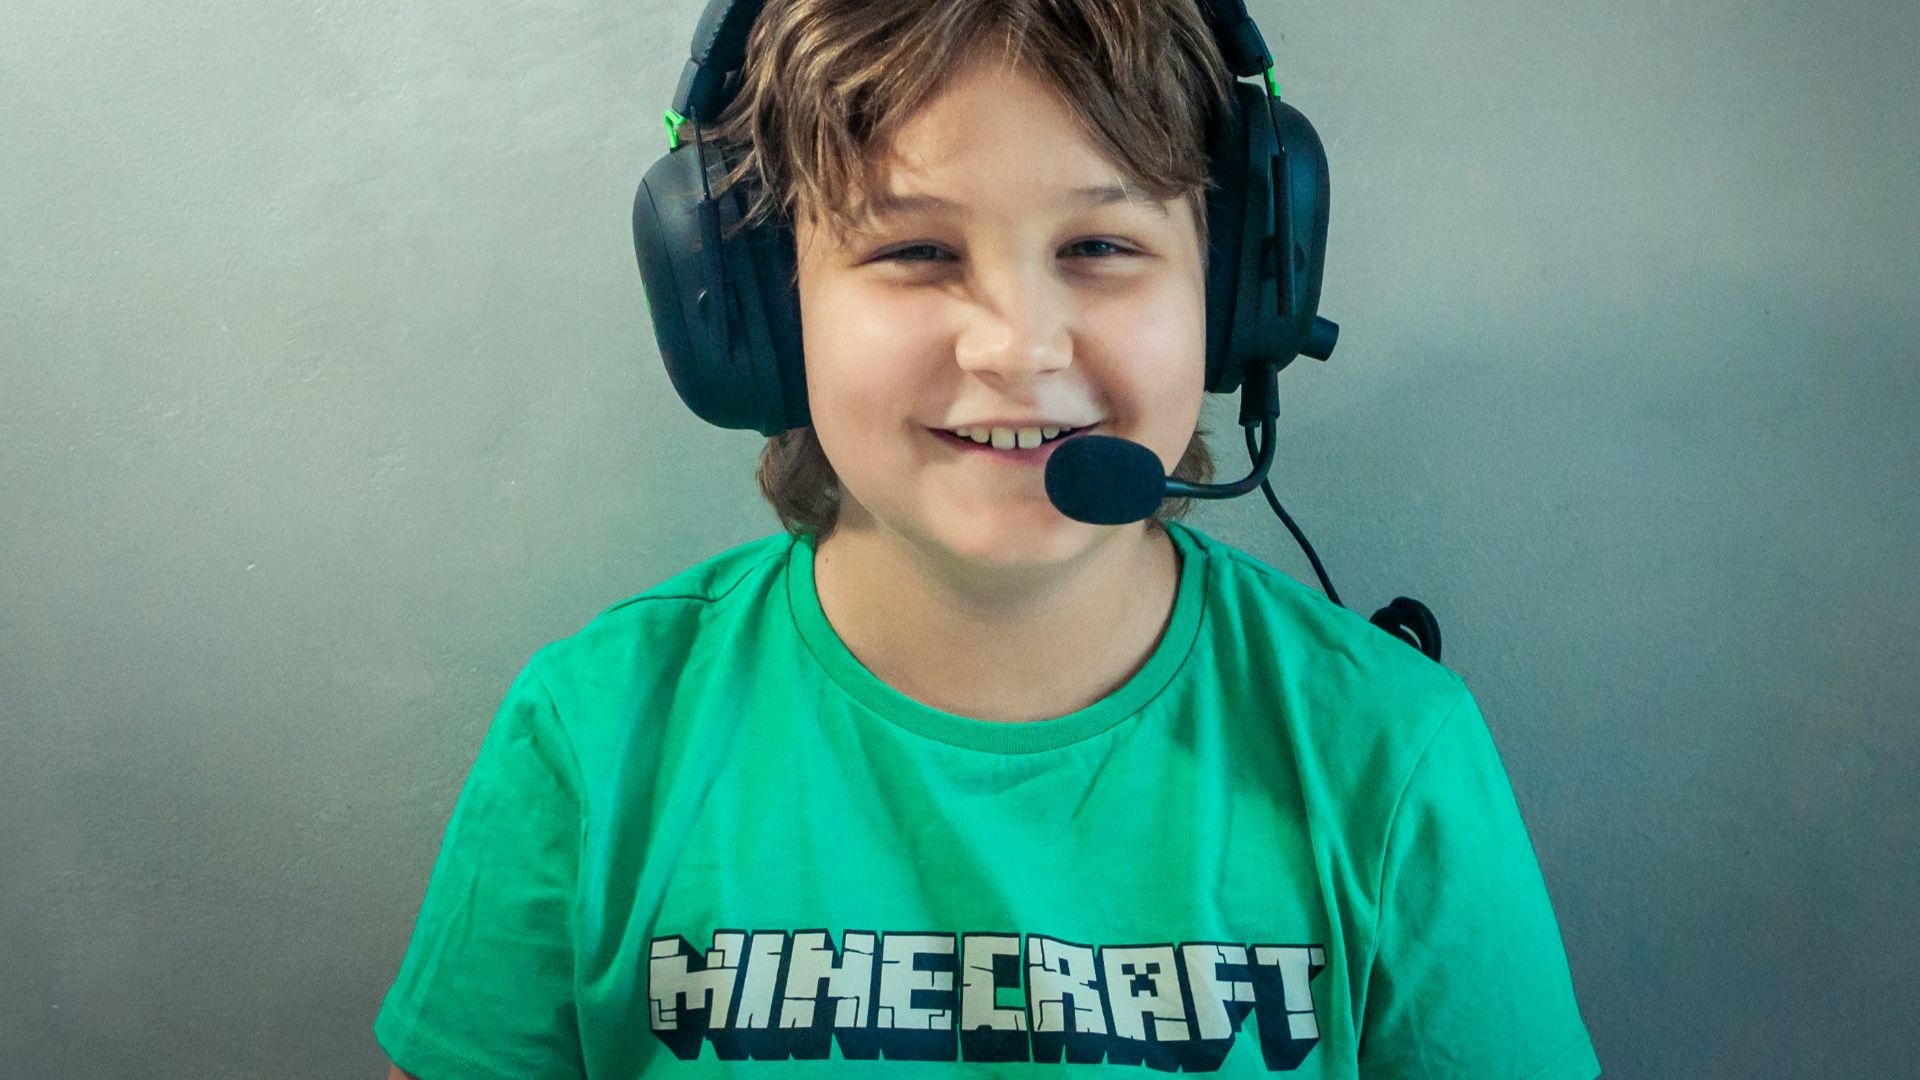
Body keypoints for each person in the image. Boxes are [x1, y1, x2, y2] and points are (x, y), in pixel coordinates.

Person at [375, 1, 1602, 1076]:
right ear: (754, 308)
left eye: (1100, 247)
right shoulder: (593, 740)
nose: (1017, 348)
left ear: (1237, 303)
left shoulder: (1387, 759)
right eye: (914, 250)